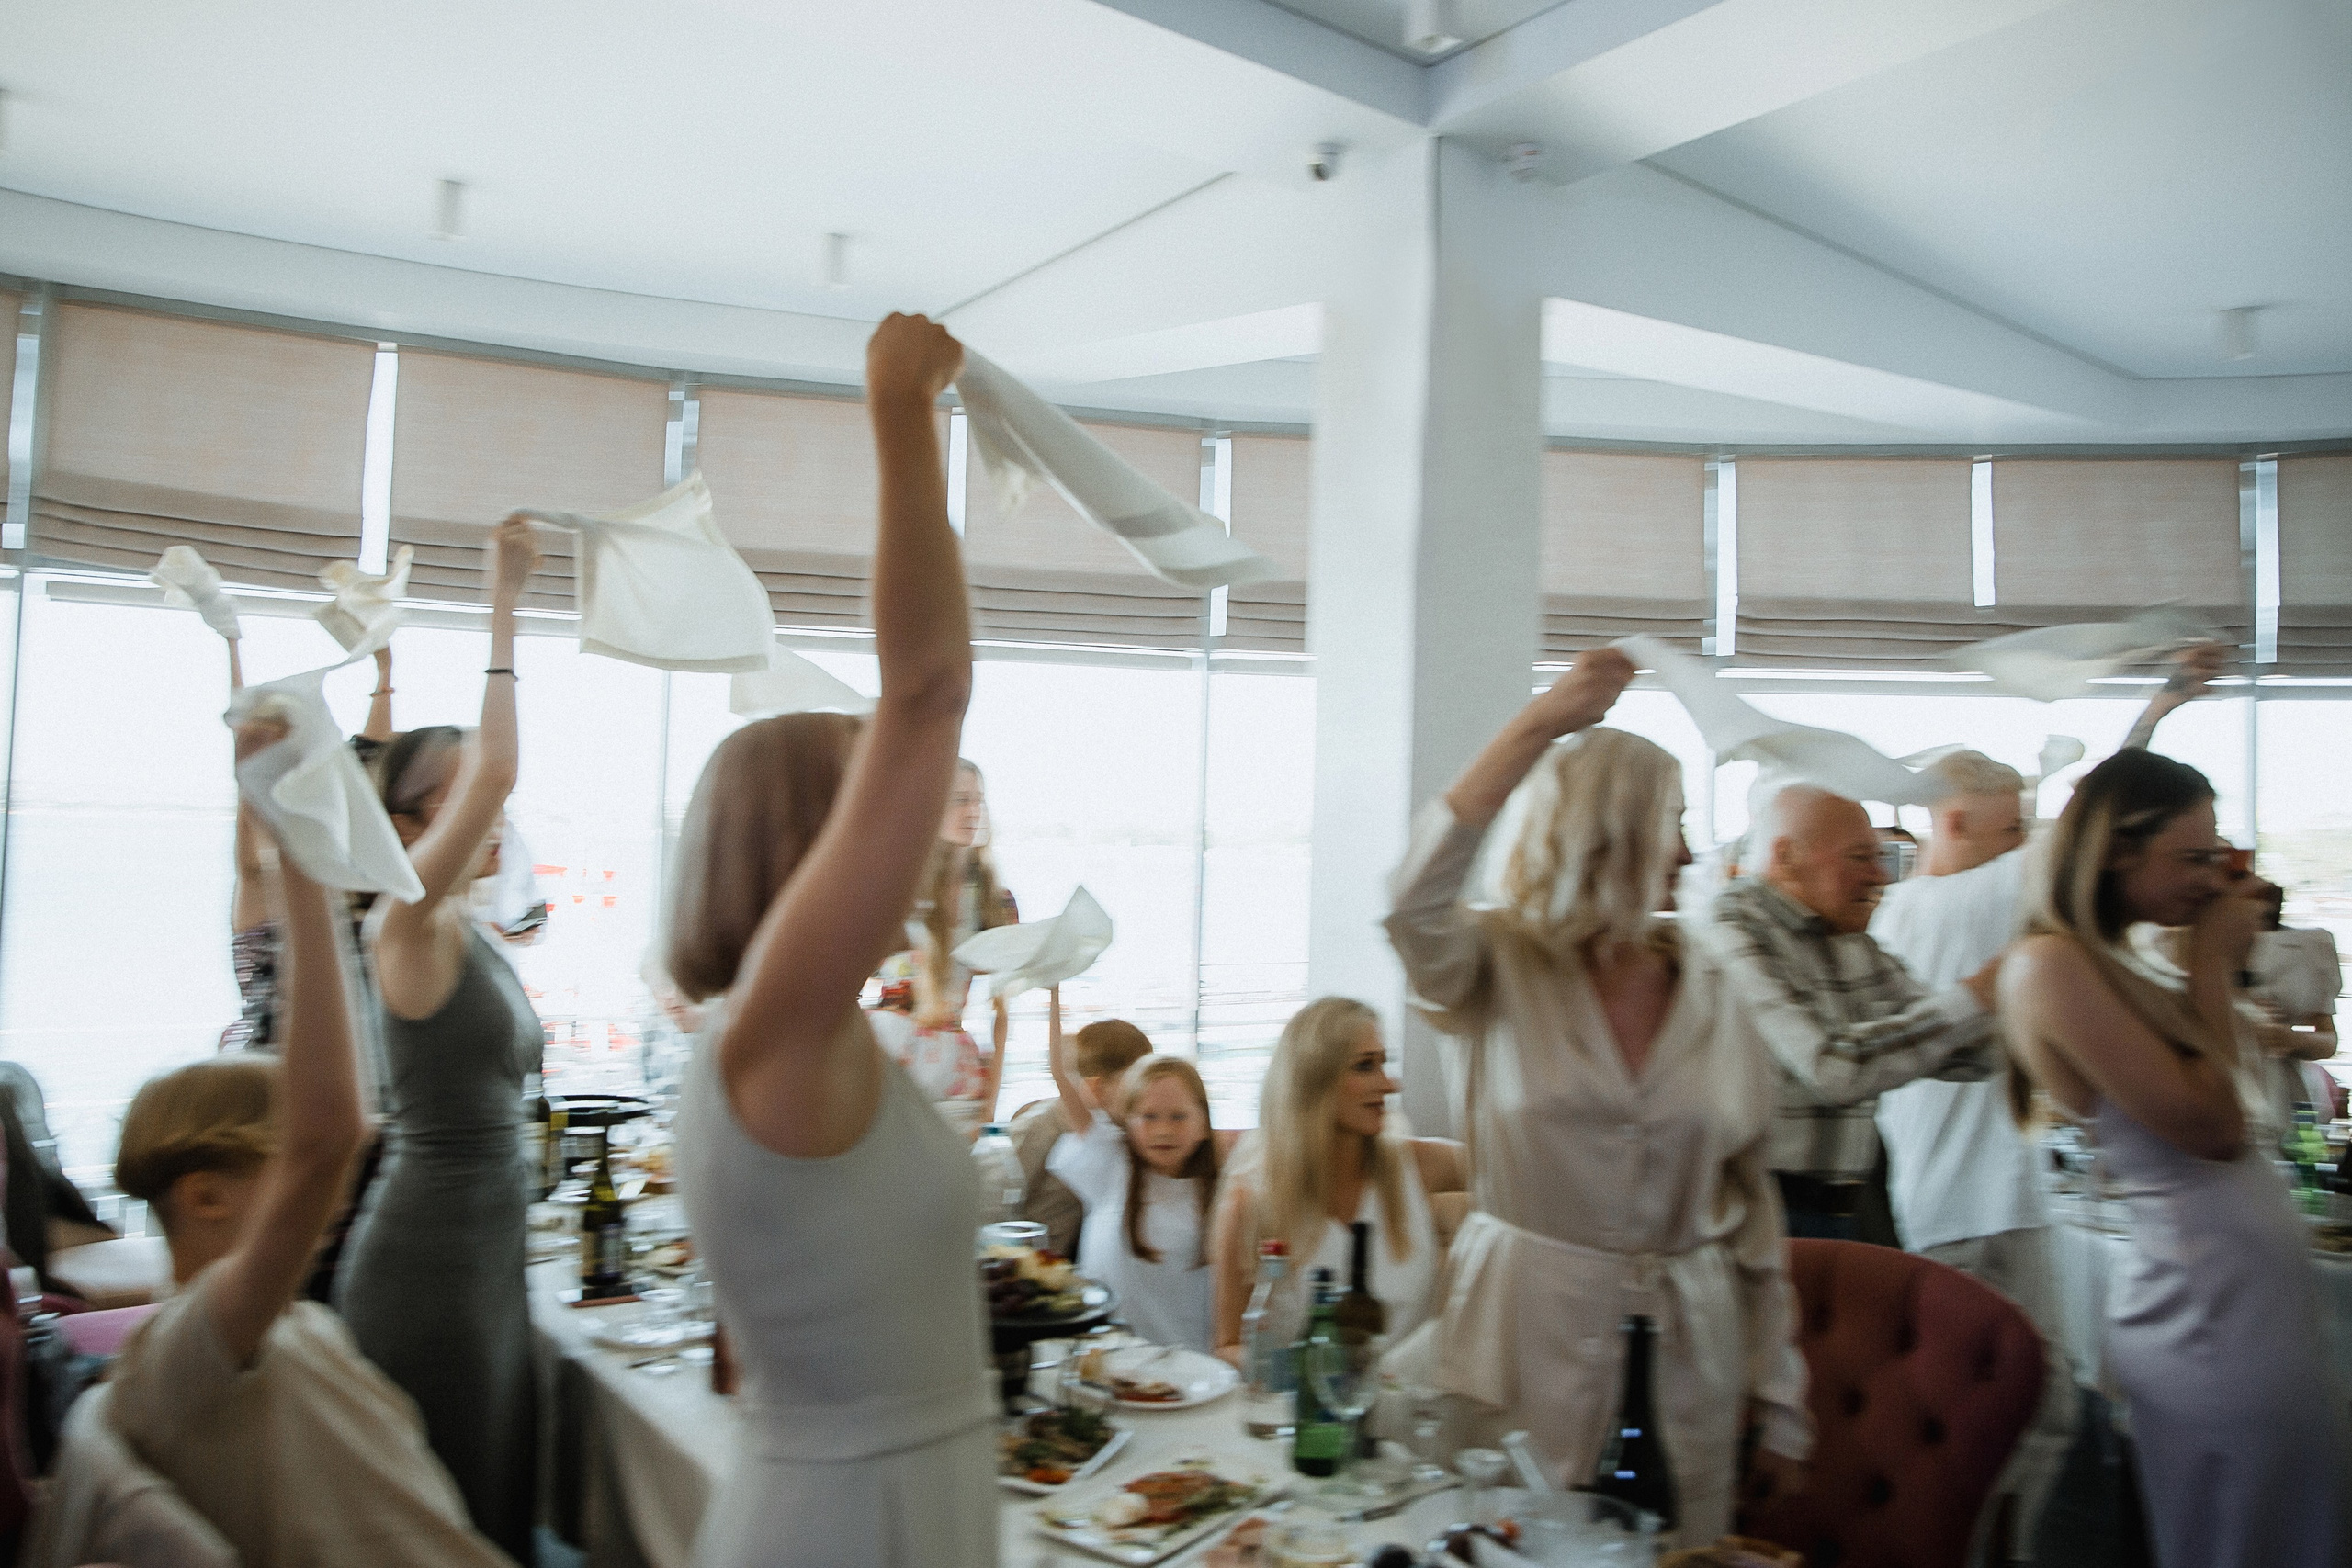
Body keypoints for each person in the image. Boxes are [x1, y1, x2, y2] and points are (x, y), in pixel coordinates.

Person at [666, 314, 994, 1568]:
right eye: (868, 786)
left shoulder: (801, 1034)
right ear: (814, 838)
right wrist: (902, 408)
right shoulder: (777, 1031)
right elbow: (928, 689)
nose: (905, 813)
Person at [1380, 649, 1811, 1541]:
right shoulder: (1494, 968)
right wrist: (1539, 724)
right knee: (1508, 1543)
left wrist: (1781, 1400)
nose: (1690, 853)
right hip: (1521, 1332)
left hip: (1689, 1344)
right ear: (1601, 837)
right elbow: (1410, 901)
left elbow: (1752, 1214)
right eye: (1671, 824)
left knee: (1668, 1548)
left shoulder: (1714, 991)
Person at [106, 714, 512, 1567]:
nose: (321, 1187)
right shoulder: (186, 1357)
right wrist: (293, 843)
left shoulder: (296, 1332)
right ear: (207, 1195)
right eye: (278, 1166)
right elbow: (334, 1131)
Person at [1999, 749, 2347, 1568]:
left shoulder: (2126, 963)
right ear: (2118, 849)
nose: (2210, 878)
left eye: (2216, 855)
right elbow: (2211, 1124)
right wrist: (2213, 966)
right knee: (2238, 1537)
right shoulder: (2051, 965)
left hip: (2248, 1306)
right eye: (2192, 857)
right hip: (2203, 1314)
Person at [333, 522, 542, 1562]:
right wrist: (503, 599)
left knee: (492, 1502)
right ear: (410, 827)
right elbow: (500, 769)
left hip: (491, 1249)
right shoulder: (400, 923)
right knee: (439, 1523)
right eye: (455, 796)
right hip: (430, 1260)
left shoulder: (465, 925)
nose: (491, 809)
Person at [1707, 780, 2001, 1244]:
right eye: (1860, 857)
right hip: (1767, 1217)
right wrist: (1977, 997)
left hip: (1850, 1208)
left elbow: (1962, 1052)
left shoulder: (1848, 936)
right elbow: (1833, 1070)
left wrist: (2031, 1010)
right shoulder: (1731, 927)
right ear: (1787, 856)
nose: (1880, 875)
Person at [1209, 998, 1465, 1374]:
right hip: (1307, 1421)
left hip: (1411, 1414)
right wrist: (1298, 1382)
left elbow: (1519, 1168)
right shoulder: (1251, 1200)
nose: (1390, 1084)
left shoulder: (1416, 1165)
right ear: (1314, 1081)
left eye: (1384, 1063)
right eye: (1365, 1066)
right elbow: (1227, 1345)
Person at [1044, 988, 1227, 1351]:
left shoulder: (1221, 1189)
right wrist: (1053, 991)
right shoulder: (1113, 1164)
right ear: (1128, 1122)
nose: (1163, 1130)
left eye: (1178, 1117)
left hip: (1193, 1368)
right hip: (1107, 1359)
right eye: (1148, 1117)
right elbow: (1062, 1075)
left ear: (1204, 1124)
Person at [872, 761, 1017, 1134]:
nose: (973, 811)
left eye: (978, 801)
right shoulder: (896, 889)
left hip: (948, 1061)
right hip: (885, 1048)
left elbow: (1003, 1013)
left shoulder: (995, 901)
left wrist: (991, 1107)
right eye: (960, 800)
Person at [1006, 1015, 1155, 1259]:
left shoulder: (1125, 1133)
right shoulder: (1041, 1128)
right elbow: (994, 1199)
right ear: (1097, 1087)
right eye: (1136, 1083)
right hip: (1033, 1264)